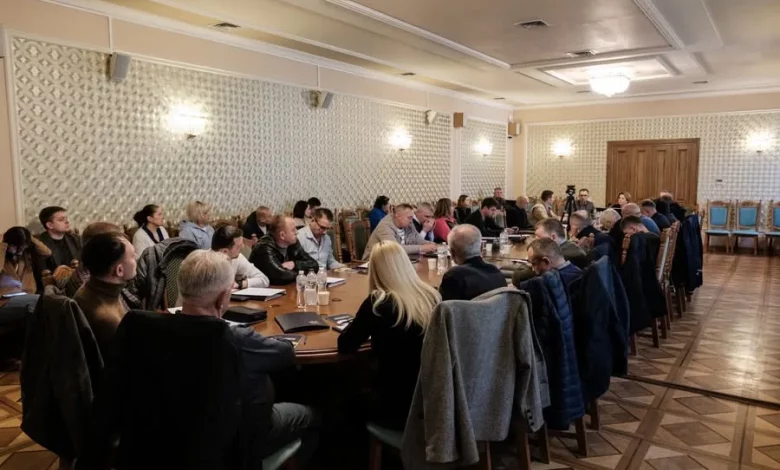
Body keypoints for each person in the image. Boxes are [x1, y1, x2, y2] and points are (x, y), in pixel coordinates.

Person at [177, 250, 320, 462]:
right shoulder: (236, 338)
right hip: (241, 439)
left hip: (180, 432)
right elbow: (285, 354)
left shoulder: (156, 329)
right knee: (313, 415)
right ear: (223, 298)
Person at [338, 241, 441, 431]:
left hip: (396, 405)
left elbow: (345, 345)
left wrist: (358, 324)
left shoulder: (377, 304)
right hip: (434, 398)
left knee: (340, 400)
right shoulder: (432, 296)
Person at [74, 232, 137, 358]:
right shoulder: (107, 318)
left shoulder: (93, 288)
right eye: (132, 255)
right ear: (119, 270)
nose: (136, 257)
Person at [439, 225, 506, 301]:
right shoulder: (497, 273)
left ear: (452, 253)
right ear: (481, 248)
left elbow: (443, 307)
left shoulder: (453, 276)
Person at [0, 227, 51, 326]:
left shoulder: (25, 255)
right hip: (5, 301)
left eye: (22, 247)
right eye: (14, 246)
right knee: (40, 302)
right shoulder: (2, 256)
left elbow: (47, 252)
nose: (19, 250)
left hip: (27, 295)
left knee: (45, 305)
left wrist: (26, 236)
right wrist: (2, 245)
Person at [248, 216, 319, 285]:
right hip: (262, 289)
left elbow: (314, 265)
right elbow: (281, 276)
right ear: (282, 235)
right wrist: (301, 275)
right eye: (293, 230)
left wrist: (294, 264)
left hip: (284, 288)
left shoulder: (293, 242)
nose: (297, 232)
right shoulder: (264, 247)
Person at [365, 204, 437, 258]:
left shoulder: (408, 223)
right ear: (398, 216)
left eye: (412, 218)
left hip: (398, 260)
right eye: (409, 218)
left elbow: (417, 238)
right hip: (373, 263)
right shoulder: (384, 226)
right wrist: (422, 248)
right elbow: (395, 249)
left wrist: (432, 245)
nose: (411, 221)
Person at [514, 238, 582, 290]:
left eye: (534, 264)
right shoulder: (579, 273)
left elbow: (517, 281)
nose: (533, 269)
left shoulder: (547, 283)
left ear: (546, 262)